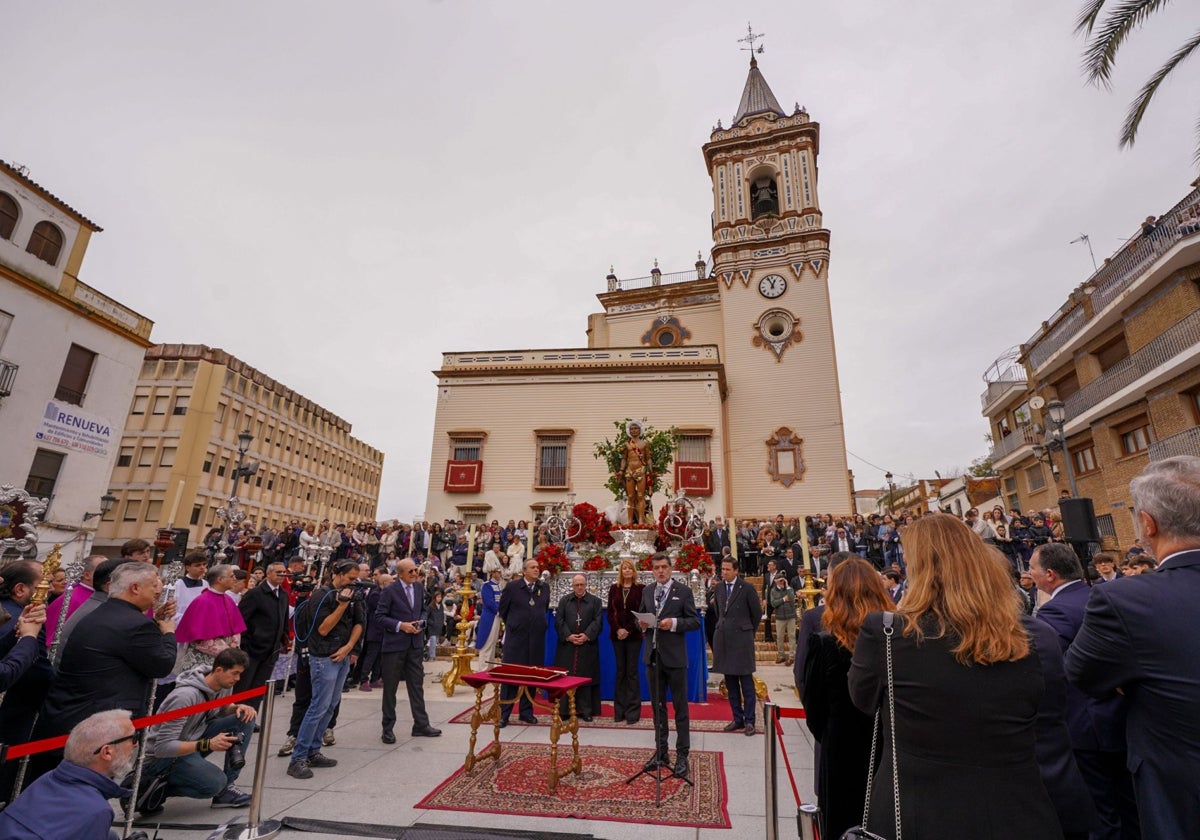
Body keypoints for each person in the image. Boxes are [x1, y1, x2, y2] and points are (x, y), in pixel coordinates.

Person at [848, 513, 1062, 839]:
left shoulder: (888, 633)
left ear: (919, 570)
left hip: (917, 810)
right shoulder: (1034, 635)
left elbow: (863, 701)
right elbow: (1045, 710)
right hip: (1016, 809)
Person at [1065, 456, 1200, 839]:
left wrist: (1132, 678)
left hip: (1182, 790)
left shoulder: (1125, 600)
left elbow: (1082, 674)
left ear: (1147, 523)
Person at [30, 562, 177, 783]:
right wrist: (168, 633)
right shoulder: (136, 625)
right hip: (97, 726)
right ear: (135, 588)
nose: (159, 590)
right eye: (154, 585)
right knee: (80, 789)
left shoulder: (101, 613)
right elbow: (162, 665)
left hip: (65, 714)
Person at [1029, 544, 1133, 839]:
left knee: (1103, 815)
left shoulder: (1055, 612)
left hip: (1088, 727)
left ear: (1049, 575)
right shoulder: (1105, 596)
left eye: (1033, 569)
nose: (1030, 575)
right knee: (1130, 807)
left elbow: (1055, 671)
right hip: (1123, 719)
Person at [802, 558, 894, 840]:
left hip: (840, 749)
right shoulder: (897, 638)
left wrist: (831, 733)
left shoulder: (825, 642)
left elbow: (813, 708)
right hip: (887, 748)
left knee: (841, 826)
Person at [0, 709, 138, 840]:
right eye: (133, 738)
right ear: (107, 752)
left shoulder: (48, 779)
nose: (136, 745)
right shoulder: (96, 811)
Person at [145, 648, 256, 809]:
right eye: (235, 673)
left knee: (245, 719)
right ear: (218, 670)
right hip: (161, 758)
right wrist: (208, 744)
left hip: (192, 740)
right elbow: (162, 747)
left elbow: (221, 708)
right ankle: (153, 788)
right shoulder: (185, 697)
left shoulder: (223, 684)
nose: (238, 679)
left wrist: (237, 707)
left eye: (240, 674)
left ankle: (227, 787)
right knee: (215, 782)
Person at [286, 560, 365, 779]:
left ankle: (313, 750)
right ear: (337, 575)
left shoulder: (353, 594)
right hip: (324, 657)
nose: (353, 583)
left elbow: (360, 622)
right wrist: (341, 605)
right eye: (349, 578)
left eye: (355, 579)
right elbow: (322, 628)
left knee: (330, 706)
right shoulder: (322, 596)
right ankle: (298, 758)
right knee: (317, 707)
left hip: (343, 654)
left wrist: (349, 648)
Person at [638, 553, 700, 778]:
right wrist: (642, 624)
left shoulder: (683, 592)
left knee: (680, 708)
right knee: (657, 707)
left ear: (671, 568)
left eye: (664, 567)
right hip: (653, 657)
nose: (660, 571)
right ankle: (661, 752)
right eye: (656, 568)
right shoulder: (647, 591)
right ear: (652, 570)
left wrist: (672, 623)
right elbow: (640, 619)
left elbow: (694, 621)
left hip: (675, 658)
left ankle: (682, 754)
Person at [376, 559, 441, 743]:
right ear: (401, 573)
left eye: (416, 570)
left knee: (417, 685)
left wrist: (421, 622)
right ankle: (387, 728)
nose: (415, 573)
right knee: (390, 688)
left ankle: (421, 724)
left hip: (415, 645)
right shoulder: (389, 591)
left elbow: (423, 610)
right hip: (394, 646)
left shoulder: (419, 588)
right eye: (411, 571)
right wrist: (400, 625)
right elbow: (379, 617)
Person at [711, 557, 763, 737]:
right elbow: (718, 612)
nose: (724, 572)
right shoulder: (718, 588)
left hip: (741, 640)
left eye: (727, 569)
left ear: (735, 571)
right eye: (722, 569)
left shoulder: (746, 588)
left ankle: (750, 720)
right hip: (724, 640)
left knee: (746, 683)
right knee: (730, 682)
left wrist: (746, 631)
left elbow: (756, 613)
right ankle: (737, 718)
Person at [497, 558, 550, 727]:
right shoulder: (513, 587)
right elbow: (503, 610)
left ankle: (526, 712)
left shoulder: (544, 587)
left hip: (536, 640)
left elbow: (545, 607)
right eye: (533, 567)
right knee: (511, 677)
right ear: (524, 571)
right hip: (516, 640)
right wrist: (515, 625)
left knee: (531, 677)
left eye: (538, 567)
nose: (537, 570)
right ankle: (504, 714)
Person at [234, 560, 290, 709]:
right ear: (268, 573)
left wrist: (282, 640)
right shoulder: (256, 594)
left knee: (258, 688)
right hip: (252, 649)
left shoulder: (283, 595)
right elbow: (241, 620)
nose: (281, 575)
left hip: (271, 650)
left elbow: (284, 620)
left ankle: (251, 717)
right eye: (278, 572)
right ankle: (234, 718)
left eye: (284, 573)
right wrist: (246, 644)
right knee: (244, 685)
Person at [173, 564, 245, 673]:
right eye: (231, 576)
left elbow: (235, 627)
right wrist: (228, 650)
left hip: (227, 657)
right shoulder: (203, 601)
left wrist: (234, 644)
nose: (235, 579)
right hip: (204, 660)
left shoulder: (228, 599)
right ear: (220, 579)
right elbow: (200, 639)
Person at [553, 574, 603, 721]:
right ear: (572, 585)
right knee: (566, 678)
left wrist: (586, 635)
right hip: (567, 646)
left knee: (585, 677)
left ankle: (585, 710)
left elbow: (598, 621)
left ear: (586, 585)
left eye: (582, 584)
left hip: (587, 645)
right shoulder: (564, 601)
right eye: (576, 585)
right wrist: (568, 636)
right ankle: (565, 710)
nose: (579, 587)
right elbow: (559, 620)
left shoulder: (595, 601)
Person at [606, 558, 644, 725]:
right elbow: (610, 612)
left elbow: (641, 612)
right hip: (617, 636)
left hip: (634, 636)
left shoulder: (641, 589)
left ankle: (633, 712)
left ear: (633, 571)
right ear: (620, 572)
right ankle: (619, 710)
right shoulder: (614, 589)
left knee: (632, 672)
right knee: (621, 672)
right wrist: (618, 629)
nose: (627, 571)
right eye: (624, 568)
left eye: (629, 568)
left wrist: (628, 629)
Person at [43, 555, 103, 651]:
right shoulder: (73, 598)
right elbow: (53, 639)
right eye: (102, 570)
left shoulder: (96, 595)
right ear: (87, 575)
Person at [616, 420, 650, 524]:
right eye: (632, 429)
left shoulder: (645, 444)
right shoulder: (627, 445)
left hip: (641, 471)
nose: (634, 430)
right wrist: (621, 471)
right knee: (630, 496)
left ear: (640, 430)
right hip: (630, 471)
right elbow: (624, 459)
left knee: (640, 495)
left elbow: (648, 458)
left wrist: (650, 472)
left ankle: (640, 520)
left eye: (636, 428)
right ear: (629, 431)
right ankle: (629, 520)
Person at [474, 566, 503, 665]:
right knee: (487, 642)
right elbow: (489, 602)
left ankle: (489, 667)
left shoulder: (499, 585)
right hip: (490, 616)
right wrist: (500, 610)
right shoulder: (486, 585)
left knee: (493, 643)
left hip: (497, 616)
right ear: (493, 573)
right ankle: (483, 668)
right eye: (498, 572)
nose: (499, 574)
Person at [768, 572, 797, 665]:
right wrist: (784, 599)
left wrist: (787, 586)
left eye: (782, 580)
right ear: (776, 582)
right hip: (780, 617)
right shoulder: (773, 591)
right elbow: (773, 603)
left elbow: (792, 598)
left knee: (792, 636)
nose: (781, 582)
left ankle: (792, 657)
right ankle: (781, 656)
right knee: (779, 638)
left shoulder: (789, 588)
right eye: (779, 581)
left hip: (790, 615)